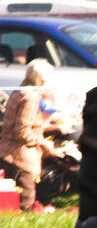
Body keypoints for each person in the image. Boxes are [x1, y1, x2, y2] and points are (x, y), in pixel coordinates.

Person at [0, 60, 62, 212]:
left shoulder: (20, 91)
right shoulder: (31, 98)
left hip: (7, 152)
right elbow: (22, 131)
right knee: (26, 202)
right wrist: (44, 143)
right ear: (42, 80)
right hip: (20, 157)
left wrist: (54, 125)